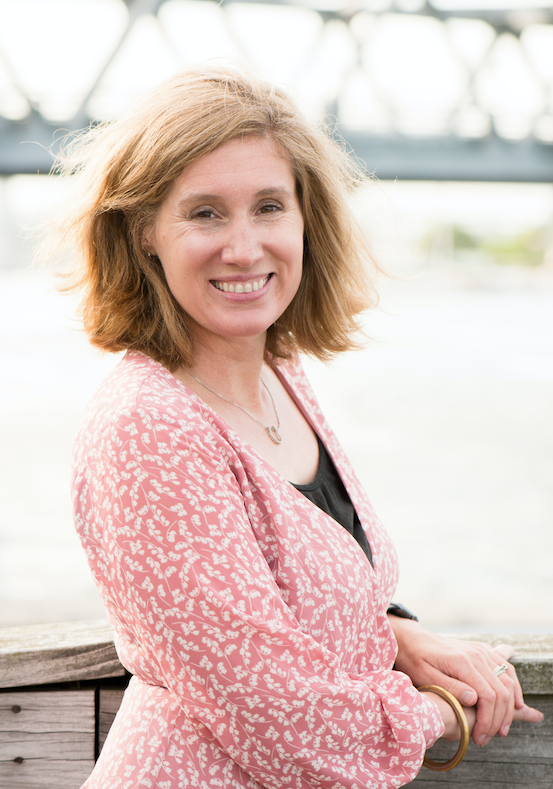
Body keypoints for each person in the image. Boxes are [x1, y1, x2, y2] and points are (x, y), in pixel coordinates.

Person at [53, 65, 543, 788]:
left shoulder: (278, 373)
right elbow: (280, 714)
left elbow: (296, 594)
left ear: (306, 218)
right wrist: (444, 710)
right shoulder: (148, 428)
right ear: (144, 231)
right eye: (205, 213)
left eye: (268, 206)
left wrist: (399, 634)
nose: (244, 247)